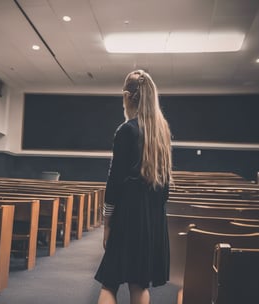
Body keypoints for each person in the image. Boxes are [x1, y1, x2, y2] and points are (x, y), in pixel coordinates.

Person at [94, 70, 172, 304]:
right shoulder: (162, 133)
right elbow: (165, 188)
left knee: (110, 283)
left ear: (128, 96)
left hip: (128, 215)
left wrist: (107, 222)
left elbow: (114, 180)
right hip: (153, 217)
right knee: (139, 283)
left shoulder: (126, 129)